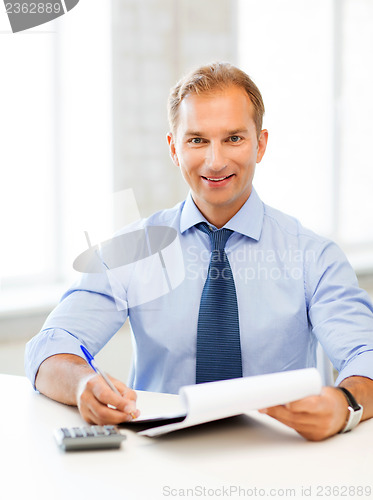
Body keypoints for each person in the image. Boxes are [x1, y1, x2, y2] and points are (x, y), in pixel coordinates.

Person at [25, 62, 373, 441]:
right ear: (174, 148)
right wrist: (81, 385)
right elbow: (51, 345)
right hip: (160, 458)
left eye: (234, 138)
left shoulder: (314, 256)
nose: (215, 161)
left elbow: (365, 354)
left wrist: (345, 404)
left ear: (261, 144)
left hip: (280, 453)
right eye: (197, 140)